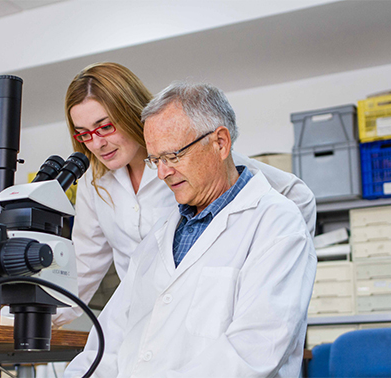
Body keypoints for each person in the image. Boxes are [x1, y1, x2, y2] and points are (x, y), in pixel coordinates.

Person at [64, 81, 317, 377]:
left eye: (172, 157)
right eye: (155, 160)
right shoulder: (159, 235)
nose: (161, 173)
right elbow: (107, 344)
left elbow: (252, 353)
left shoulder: (275, 224)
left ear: (220, 144)